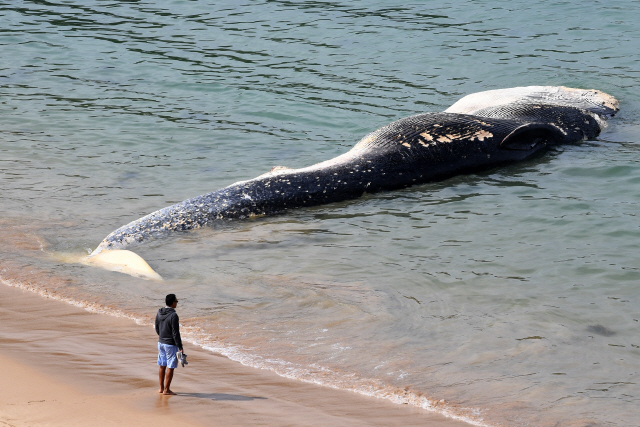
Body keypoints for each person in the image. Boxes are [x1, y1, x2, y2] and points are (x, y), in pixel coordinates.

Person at [155, 293, 184, 395]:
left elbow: (157, 327)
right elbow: (176, 333)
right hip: (170, 344)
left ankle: (161, 388)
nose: (176, 303)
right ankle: (167, 390)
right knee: (170, 366)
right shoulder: (173, 315)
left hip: (161, 342)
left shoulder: (159, 312)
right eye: (176, 301)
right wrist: (180, 347)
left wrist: (162, 336)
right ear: (172, 303)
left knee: (162, 365)